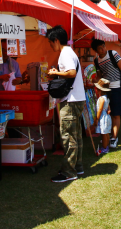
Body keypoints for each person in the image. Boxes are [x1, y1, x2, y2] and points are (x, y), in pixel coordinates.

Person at [46, 26, 86, 183]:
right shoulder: (70, 52)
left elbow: (71, 72)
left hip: (70, 100)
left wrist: (55, 73)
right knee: (75, 135)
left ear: (56, 40)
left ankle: (69, 171)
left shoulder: (64, 54)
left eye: (50, 43)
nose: (50, 46)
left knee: (68, 136)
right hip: (77, 99)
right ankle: (78, 166)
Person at [91, 38, 121, 149]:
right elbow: (99, 76)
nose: (103, 49)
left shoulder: (113, 54)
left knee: (116, 114)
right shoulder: (97, 61)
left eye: (103, 46)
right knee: (107, 113)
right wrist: (93, 80)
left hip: (117, 87)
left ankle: (114, 137)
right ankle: (107, 136)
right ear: (96, 51)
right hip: (105, 90)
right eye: (100, 48)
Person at [94, 78, 112, 155]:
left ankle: (104, 148)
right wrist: (109, 110)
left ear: (100, 90)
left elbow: (100, 109)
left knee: (103, 134)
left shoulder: (101, 98)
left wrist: (97, 118)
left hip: (103, 118)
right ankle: (106, 146)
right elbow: (108, 107)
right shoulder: (106, 98)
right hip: (107, 117)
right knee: (107, 133)